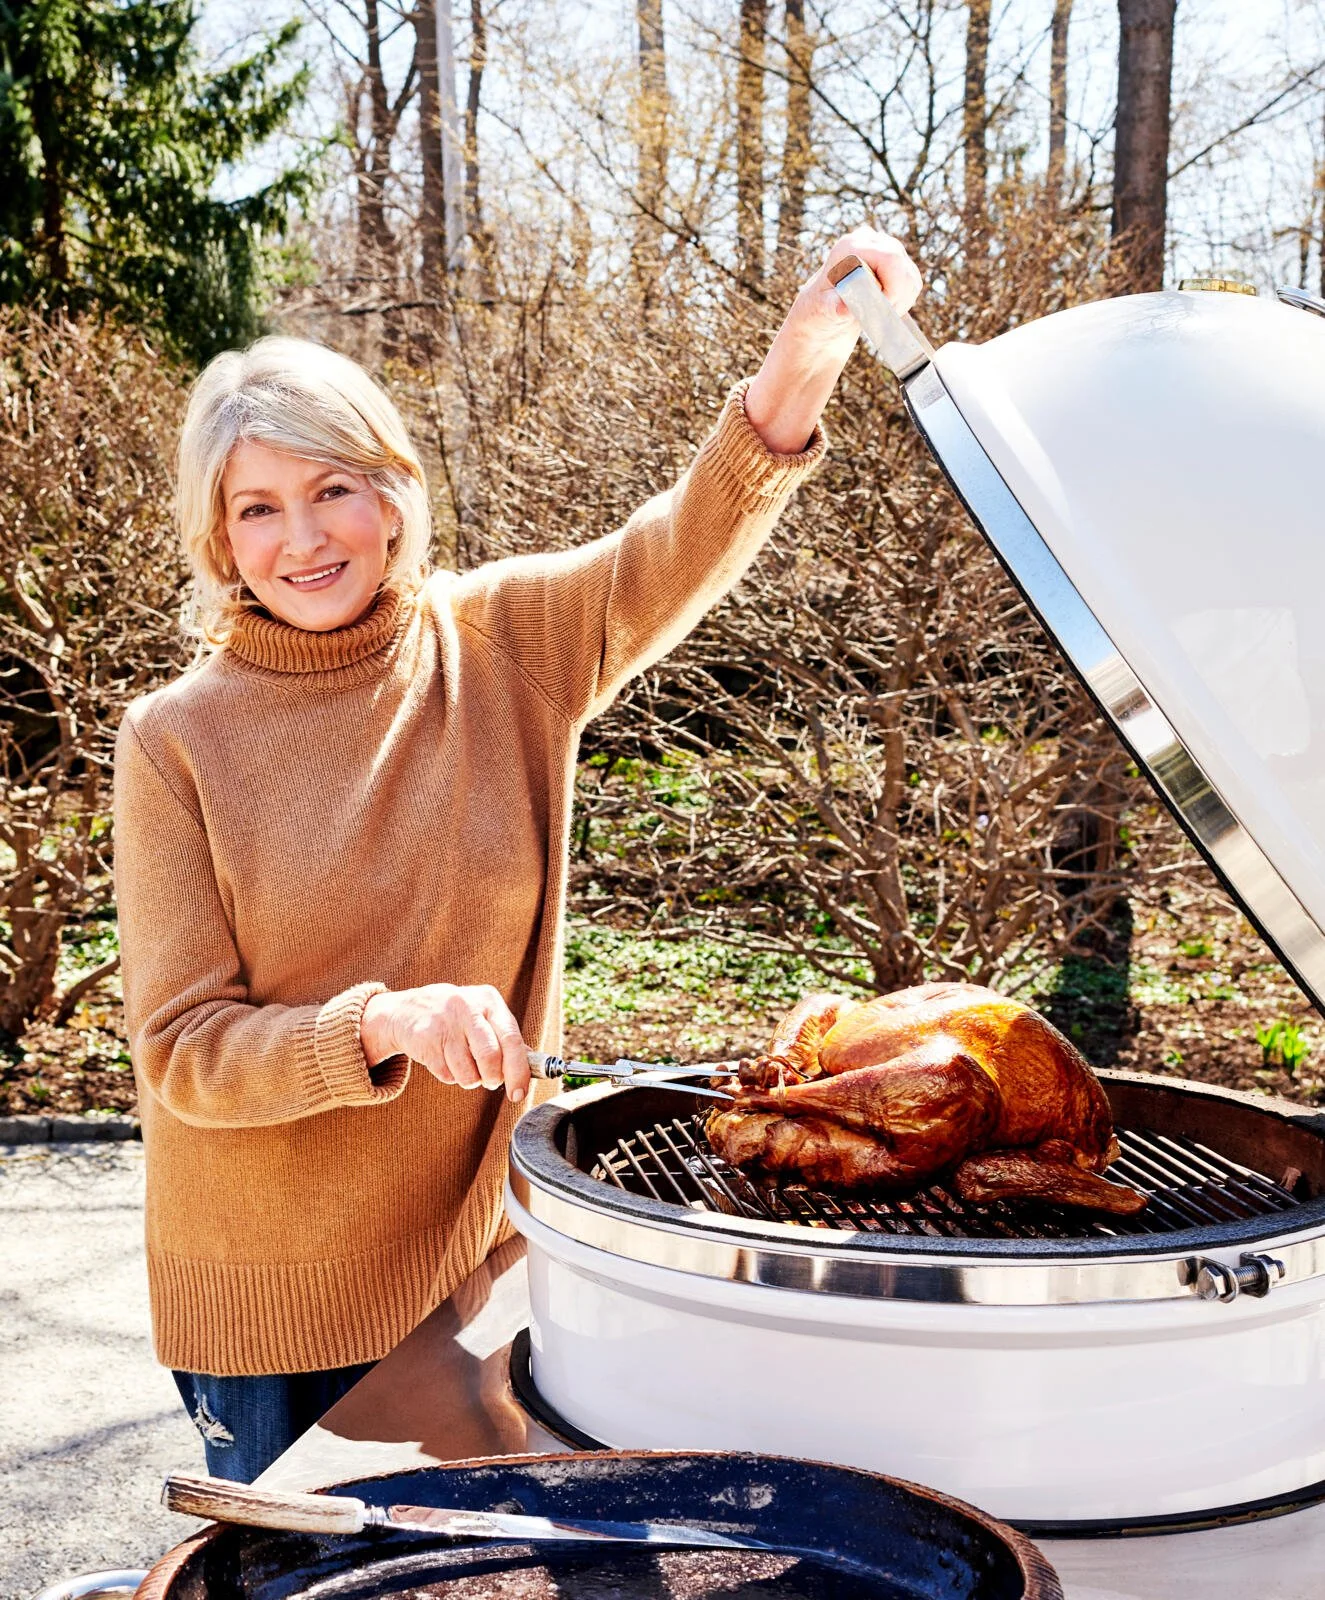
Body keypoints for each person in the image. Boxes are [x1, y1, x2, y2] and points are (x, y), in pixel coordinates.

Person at [112, 227, 922, 1482]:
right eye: (257, 507)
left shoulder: (503, 645)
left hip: (478, 1250)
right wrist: (382, 1021)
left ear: (390, 494)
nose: (304, 536)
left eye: (331, 487)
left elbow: (678, 541)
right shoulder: (175, 741)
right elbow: (183, 1051)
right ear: (222, 540)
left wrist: (804, 358)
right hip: (276, 1296)